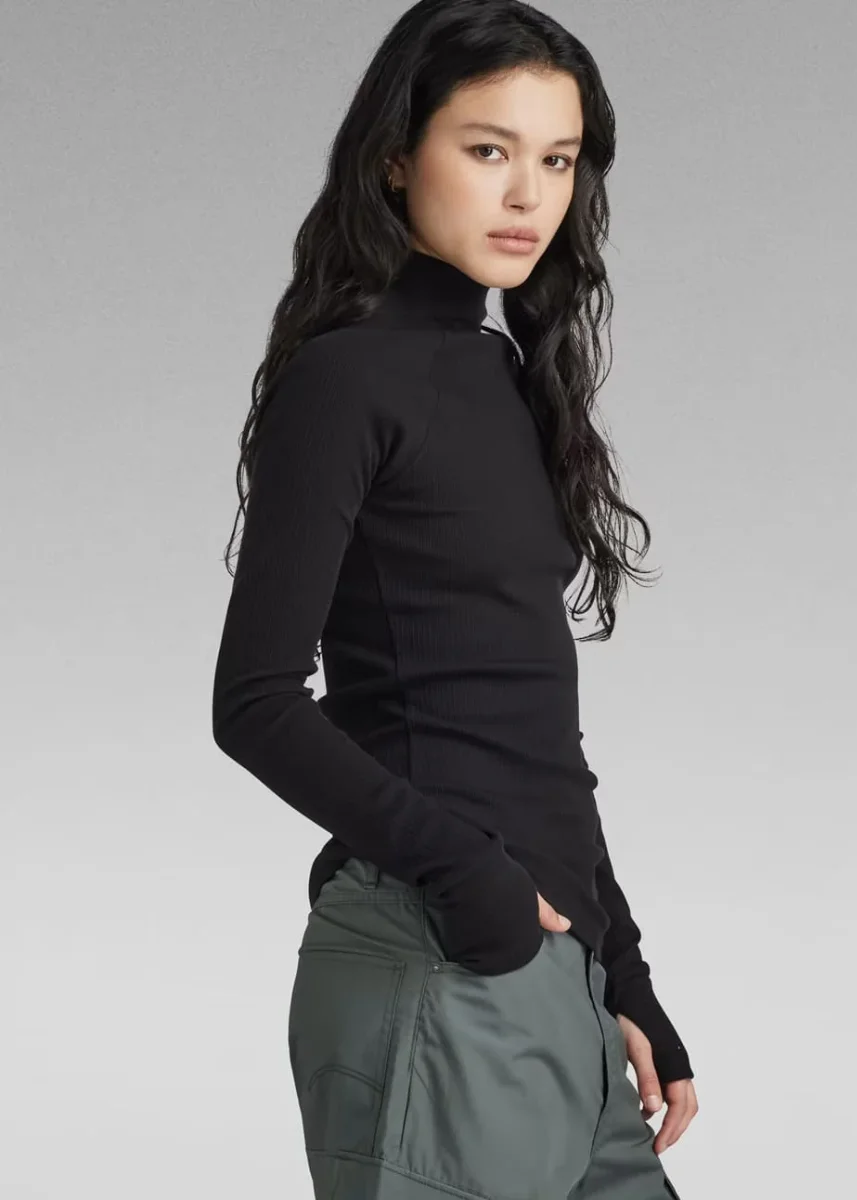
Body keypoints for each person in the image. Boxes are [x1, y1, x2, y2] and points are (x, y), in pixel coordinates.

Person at [211, 1, 698, 1195]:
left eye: (558, 160)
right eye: (488, 150)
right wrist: (473, 883)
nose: (528, 194)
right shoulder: (346, 379)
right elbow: (255, 702)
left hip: (552, 976)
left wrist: (623, 974)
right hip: (441, 957)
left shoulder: (505, 378)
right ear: (395, 158)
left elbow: (525, 729)